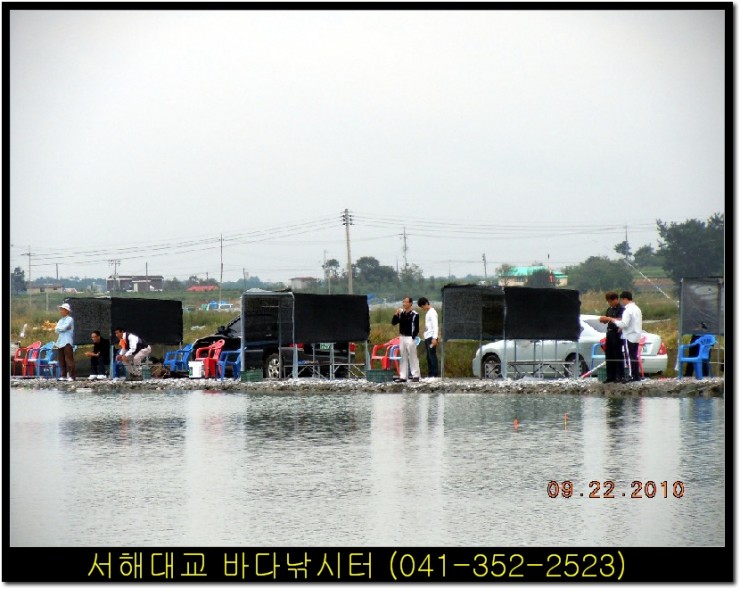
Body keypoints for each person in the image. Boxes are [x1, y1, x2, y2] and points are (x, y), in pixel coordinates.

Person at [604, 291, 643, 382]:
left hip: (629, 335)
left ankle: (631, 375)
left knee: (629, 356)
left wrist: (612, 320)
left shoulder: (627, 310)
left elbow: (624, 323)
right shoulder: (637, 308)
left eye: (622, 300)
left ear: (625, 299)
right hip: (636, 334)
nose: (622, 302)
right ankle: (635, 375)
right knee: (634, 355)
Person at [391, 296, 420, 383]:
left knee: (412, 356)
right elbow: (394, 322)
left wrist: (413, 337)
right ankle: (403, 376)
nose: (404, 304)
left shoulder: (414, 314)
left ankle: (416, 375)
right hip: (402, 337)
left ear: (410, 303)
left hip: (410, 337)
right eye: (403, 302)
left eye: (406, 302)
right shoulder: (402, 313)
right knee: (403, 356)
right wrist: (396, 314)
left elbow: (416, 327)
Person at [598, 291, 624, 383]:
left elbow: (621, 320)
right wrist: (604, 319)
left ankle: (619, 375)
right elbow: (606, 320)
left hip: (617, 333)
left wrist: (609, 318)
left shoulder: (621, 309)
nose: (609, 303)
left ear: (615, 300)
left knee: (617, 353)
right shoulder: (609, 309)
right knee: (609, 354)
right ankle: (610, 376)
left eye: (610, 301)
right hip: (609, 332)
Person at [417, 297, 439, 378]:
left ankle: (434, 374)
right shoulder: (428, 313)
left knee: (432, 356)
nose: (422, 309)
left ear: (426, 304)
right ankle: (430, 374)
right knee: (429, 357)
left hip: (431, 337)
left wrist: (434, 338)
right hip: (428, 337)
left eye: (422, 307)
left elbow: (435, 326)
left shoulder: (432, 312)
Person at [54, 302, 76, 381]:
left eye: (62, 309)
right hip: (60, 342)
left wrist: (61, 329)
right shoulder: (60, 320)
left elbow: (63, 327)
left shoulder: (70, 319)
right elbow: (56, 330)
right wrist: (61, 329)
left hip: (67, 341)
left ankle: (72, 376)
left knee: (69, 359)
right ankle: (63, 375)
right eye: (61, 309)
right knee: (61, 359)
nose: (61, 311)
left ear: (67, 311)